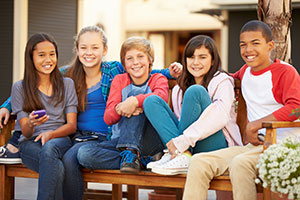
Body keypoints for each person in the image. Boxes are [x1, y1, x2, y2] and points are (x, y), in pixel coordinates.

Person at [0, 25, 181, 199]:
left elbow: (143, 69)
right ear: (77, 50)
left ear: (104, 49)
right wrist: (7, 106)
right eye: (84, 47)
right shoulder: (67, 74)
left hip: (109, 136)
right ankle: (138, 158)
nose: (89, 52)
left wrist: (170, 72)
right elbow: (31, 84)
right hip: (77, 136)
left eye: (95, 47)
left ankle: (136, 156)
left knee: (71, 158)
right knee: (67, 155)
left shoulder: (114, 70)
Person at [183, 20, 300, 200]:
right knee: (199, 161)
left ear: (270, 46)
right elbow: (225, 79)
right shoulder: (245, 72)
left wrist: (255, 125)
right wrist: (174, 73)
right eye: (243, 45)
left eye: (255, 43)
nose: (248, 50)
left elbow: (296, 108)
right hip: (254, 147)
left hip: (282, 147)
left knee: (240, 164)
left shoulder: (285, 72)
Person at [143, 35, 242, 175]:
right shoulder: (179, 88)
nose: (196, 62)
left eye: (202, 57)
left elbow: (221, 116)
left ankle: (180, 154)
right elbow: (182, 123)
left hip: (217, 146)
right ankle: (183, 155)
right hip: (190, 145)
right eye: (191, 57)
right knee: (151, 101)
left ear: (213, 60)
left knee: (196, 91)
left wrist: (183, 141)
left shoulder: (222, 81)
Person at [77, 36, 169, 175]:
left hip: (150, 141)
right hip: (120, 141)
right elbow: (108, 118)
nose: (135, 62)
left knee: (136, 106)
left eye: (140, 56)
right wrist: (121, 108)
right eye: (129, 58)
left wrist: (134, 102)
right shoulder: (119, 80)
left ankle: (132, 155)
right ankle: (140, 160)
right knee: (84, 154)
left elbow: (161, 97)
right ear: (124, 64)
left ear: (149, 60)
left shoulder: (158, 79)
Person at [11, 33, 78, 199]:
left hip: (60, 140)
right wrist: (32, 123)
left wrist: (51, 134)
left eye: (52, 54)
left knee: (50, 148)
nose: (48, 60)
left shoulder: (67, 84)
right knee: (58, 168)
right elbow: (25, 132)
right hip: (30, 144)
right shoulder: (19, 88)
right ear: (31, 58)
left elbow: (71, 125)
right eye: (41, 55)